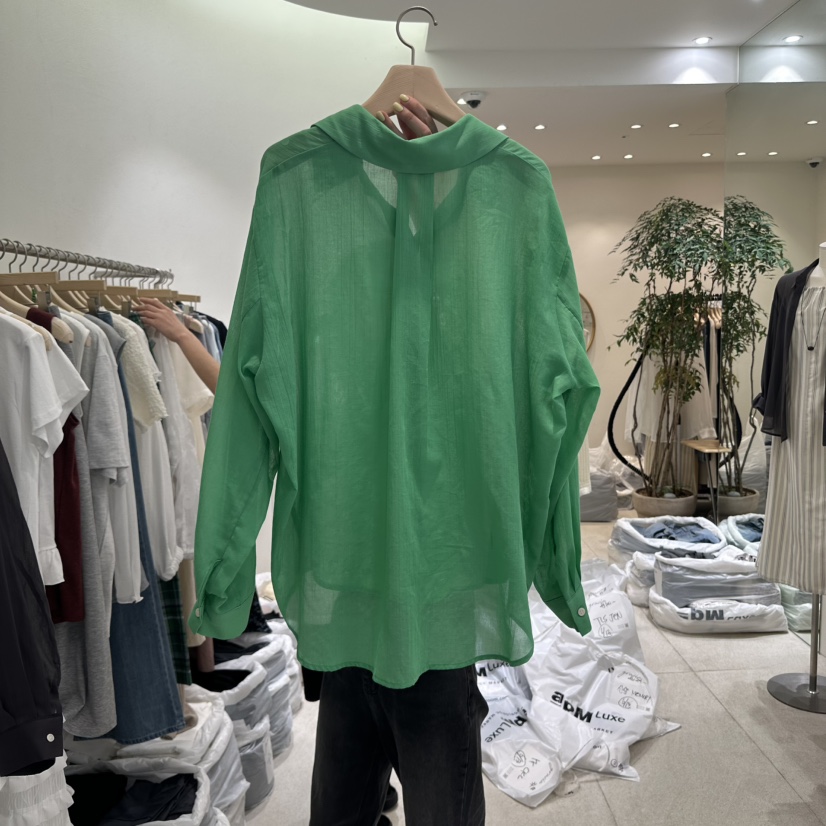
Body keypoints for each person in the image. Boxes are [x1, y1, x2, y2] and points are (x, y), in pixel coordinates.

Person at [136, 293, 403, 821]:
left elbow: (245, 400)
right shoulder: (348, 375)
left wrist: (185, 336)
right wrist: (185, 336)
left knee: (371, 685)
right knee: (367, 685)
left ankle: (375, 788)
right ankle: (377, 790)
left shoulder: (336, 378)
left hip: (351, 565)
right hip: (353, 564)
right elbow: (249, 399)